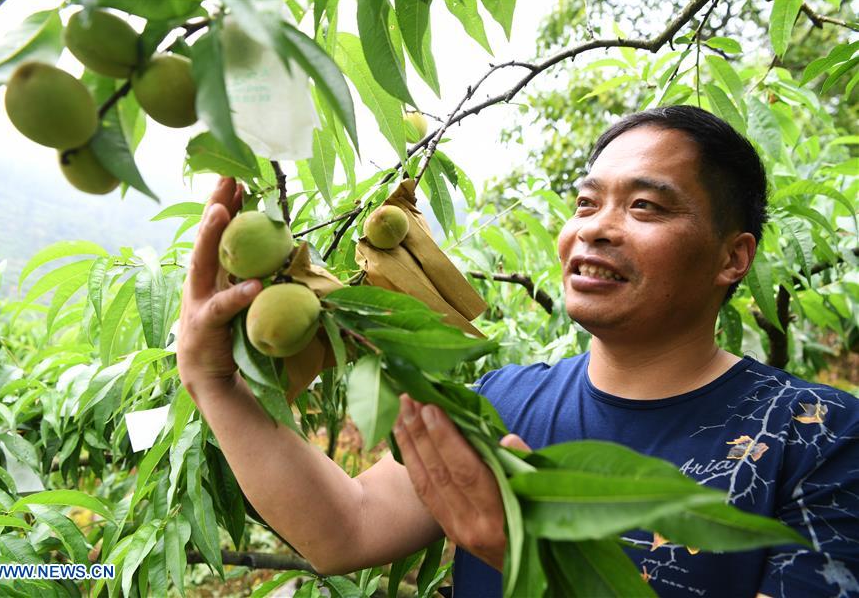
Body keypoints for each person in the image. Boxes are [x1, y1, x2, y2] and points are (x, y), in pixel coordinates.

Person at [177, 105, 859, 598]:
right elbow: (343, 530)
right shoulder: (502, 402)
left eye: (646, 207)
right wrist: (213, 379)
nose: (597, 230)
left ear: (732, 257)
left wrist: (528, 558)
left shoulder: (819, 437)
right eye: (587, 203)